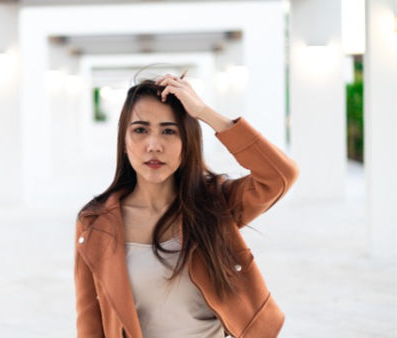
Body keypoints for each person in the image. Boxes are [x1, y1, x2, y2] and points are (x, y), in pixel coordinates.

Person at [73, 72, 299, 338]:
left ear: (187, 143)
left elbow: (279, 175)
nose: (154, 145)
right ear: (124, 141)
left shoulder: (215, 204)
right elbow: (89, 320)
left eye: (169, 131)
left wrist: (204, 112)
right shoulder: (95, 222)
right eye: (140, 130)